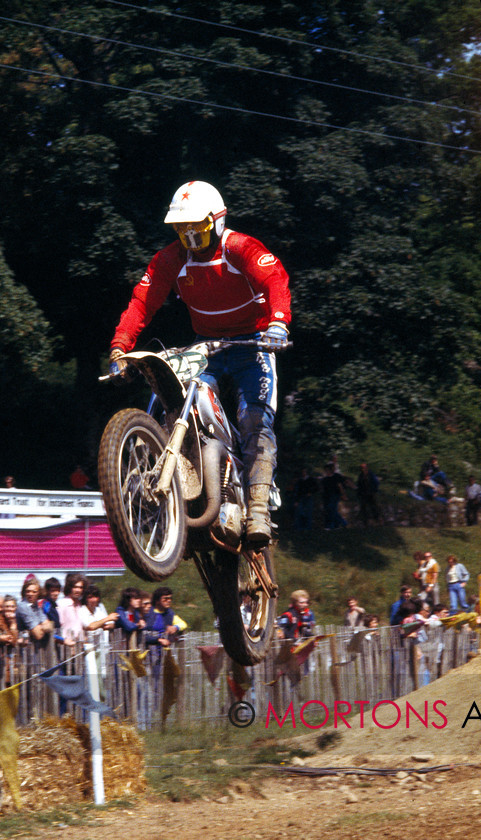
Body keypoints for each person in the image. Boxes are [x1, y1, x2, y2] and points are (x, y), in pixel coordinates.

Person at [108, 180, 291, 547]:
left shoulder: (240, 248)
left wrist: (278, 321)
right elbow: (142, 303)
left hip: (253, 345)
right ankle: (161, 472)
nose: (189, 236)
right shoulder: (169, 260)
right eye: (182, 228)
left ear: (216, 221)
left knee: (254, 419)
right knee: (170, 395)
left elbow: (275, 277)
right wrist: (119, 347)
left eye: (197, 227)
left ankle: (258, 508)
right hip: (206, 347)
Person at [16, 576, 54, 647]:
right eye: (28, 591)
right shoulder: (23, 606)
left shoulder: (36, 606)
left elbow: (49, 626)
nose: (30, 594)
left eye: (34, 592)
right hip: (23, 649)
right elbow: (38, 635)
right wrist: (42, 627)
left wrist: (40, 628)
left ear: (39, 593)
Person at [57, 573, 87, 644]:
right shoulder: (62, 604)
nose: (78, 590)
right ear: (69, 588)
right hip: (65, 646)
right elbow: (57, 628)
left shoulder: (80, 605)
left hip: (79, 646)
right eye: (75, 587)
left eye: (80, 587)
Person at [321, 462, 349, 530]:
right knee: (330, 510)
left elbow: (341, 486)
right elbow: (324, 489)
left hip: (335, 495)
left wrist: (343, 494)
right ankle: (337, 525)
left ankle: (337, 524)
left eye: (327, 470)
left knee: (332, 508)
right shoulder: (325, 479)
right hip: (328, 496)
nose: (326, 471)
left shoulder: (336, 476)